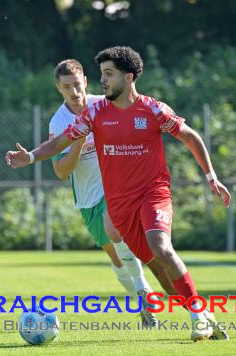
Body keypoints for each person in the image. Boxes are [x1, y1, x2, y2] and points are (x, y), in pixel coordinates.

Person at [7, 46, 231, 342]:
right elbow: (59, 143)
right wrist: (32, 158)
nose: (103, 81)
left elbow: (191, 136)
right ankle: (202, 313)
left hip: (152, 192)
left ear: (129, 77)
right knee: (158, 267)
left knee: (160, 246)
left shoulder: (152, 109)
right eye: (101, 74)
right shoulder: (95, 112)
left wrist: (211, 176)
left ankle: (195, 317)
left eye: (108, 74)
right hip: (118, 202)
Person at [50, 58, 165, 327]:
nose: (74, 92)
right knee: (115, 256)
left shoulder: (103, 104)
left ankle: (145, 289)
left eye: (77, 85)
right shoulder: (58, 122)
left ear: (86, 82)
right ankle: (142, 297)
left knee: (115, 228)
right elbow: (62, 172)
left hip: (117, 184)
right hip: (88, 196)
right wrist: (78, 139)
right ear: (59, 89)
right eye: (67, 87)